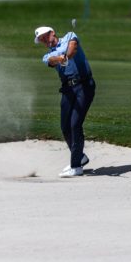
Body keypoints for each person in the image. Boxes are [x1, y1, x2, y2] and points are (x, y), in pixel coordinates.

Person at [34, 24, 96, 177]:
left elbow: (73, 49)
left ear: (52, 33)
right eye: (41, 40)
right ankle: (80, 157)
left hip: (84, 86)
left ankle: (76, 167)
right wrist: (59, 58)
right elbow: (52, 61)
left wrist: (66, 57)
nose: (44, 40)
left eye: (45, 36)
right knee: (65, 127)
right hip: (68, 90)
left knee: (75, 124)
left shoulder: (70, 36)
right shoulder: (47, 56)